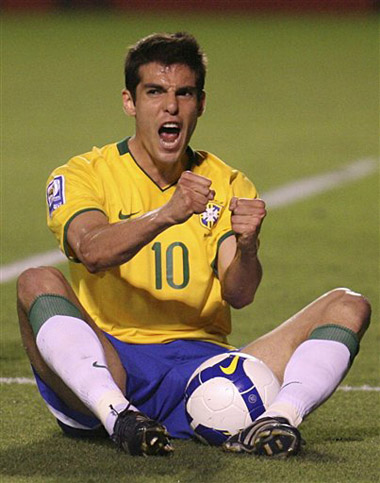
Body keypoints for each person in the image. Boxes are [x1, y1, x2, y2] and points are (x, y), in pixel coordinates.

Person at [17, 32, 371, 458]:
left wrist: (249, 247)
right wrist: (168, 211)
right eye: (155, 92)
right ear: (130, 102)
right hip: (110, 364)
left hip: (204, 371)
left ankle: (278, 420)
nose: (171, 106)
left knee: (349, 306)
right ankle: (118, 416)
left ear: (200, 104)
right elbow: (91, 250)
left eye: (184, 93)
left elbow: (240, 293)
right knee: (36, 281)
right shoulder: (83, 174)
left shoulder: (227, 181)